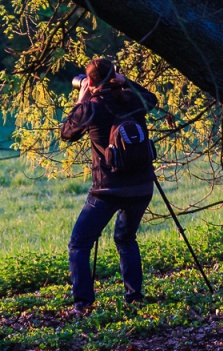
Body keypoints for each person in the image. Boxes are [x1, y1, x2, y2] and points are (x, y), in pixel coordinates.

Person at [60, 58, 158, 314]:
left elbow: (67, 132)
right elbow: (152, 99)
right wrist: (127, 82)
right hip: (142, 186)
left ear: (89, 81)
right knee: (126, 238)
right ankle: (134, 296)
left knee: (79, 245)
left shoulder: (91, 107)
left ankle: (83, 304)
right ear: (116, 76)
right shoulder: (133, 100)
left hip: (108, 190)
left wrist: (81, 99)